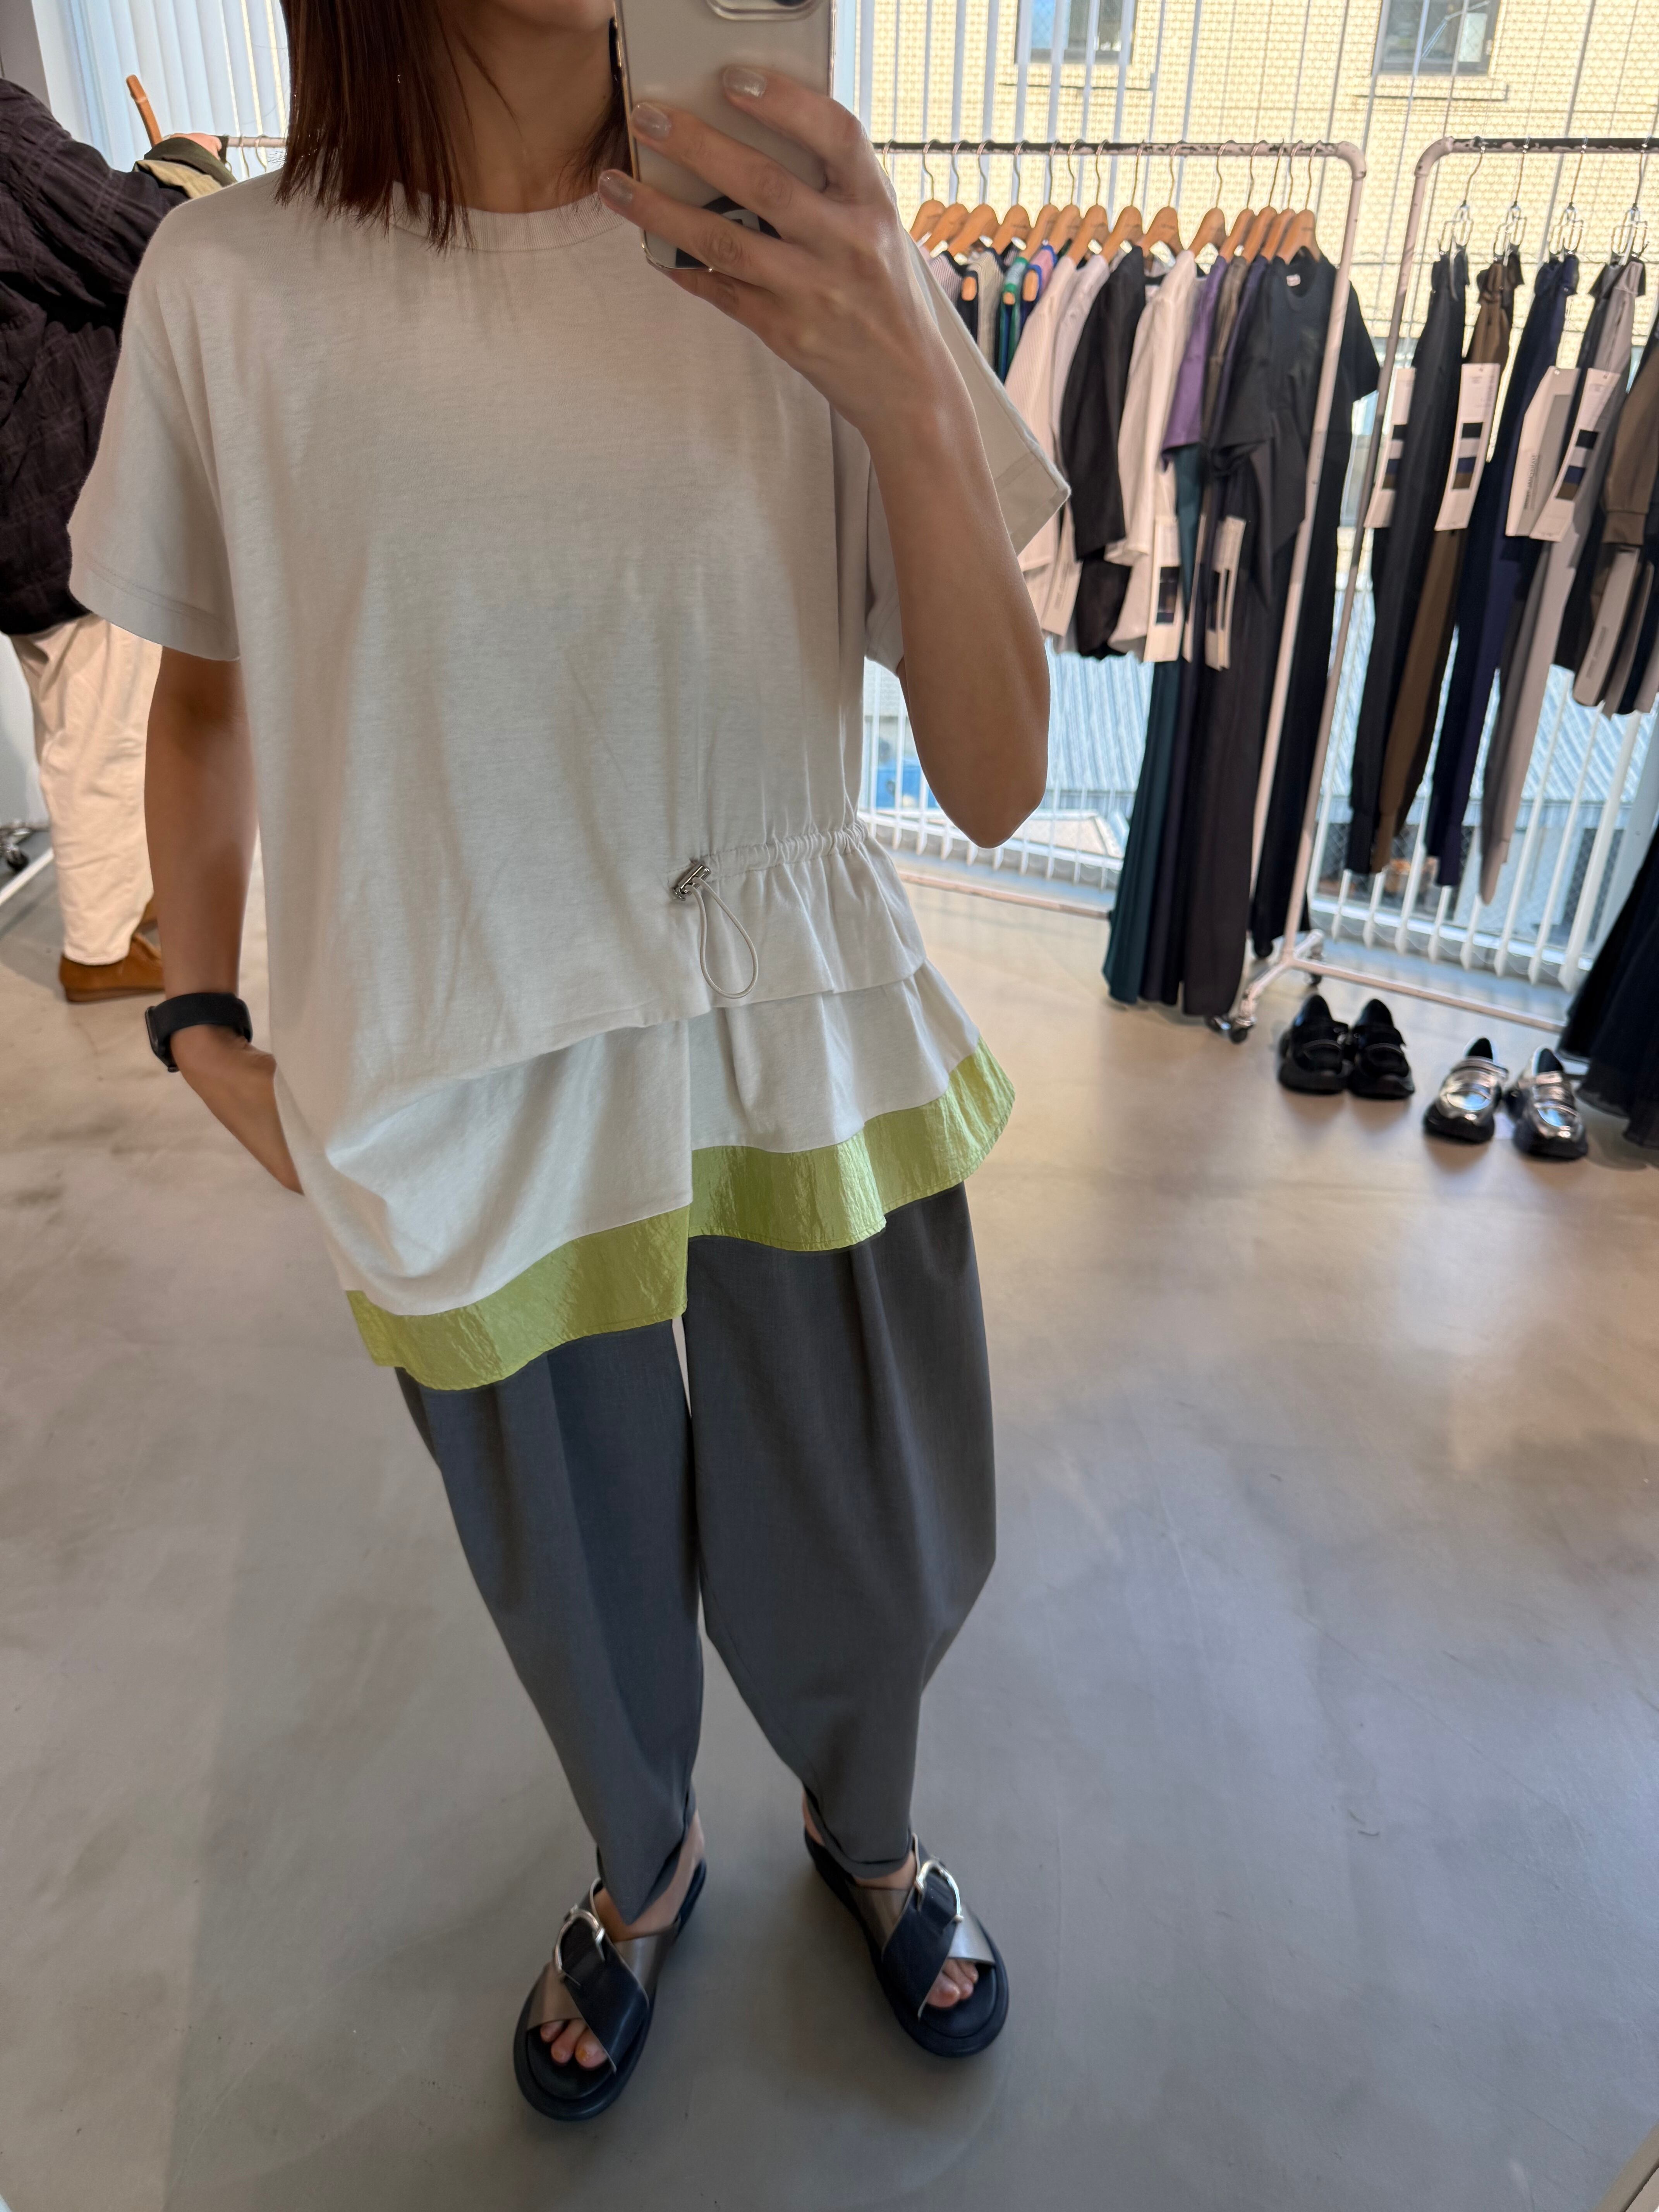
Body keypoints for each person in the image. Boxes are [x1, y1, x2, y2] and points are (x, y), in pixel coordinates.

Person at [68, 0, 1061, 2121]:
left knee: (876, 1548)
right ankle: (647, 1862)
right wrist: (195, 1014)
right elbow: (206, 694)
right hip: (453, 1060)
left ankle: (869, 1828)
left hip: (788, 1034)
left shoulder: (796, 234)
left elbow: (995, 783)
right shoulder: (227, 287)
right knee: (574, 1596)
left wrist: (900, 368)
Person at [0, 84, 231, 1000]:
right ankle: (99, 951)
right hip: (55, 501)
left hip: (23, 503)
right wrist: (186, 160)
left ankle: (128, 908)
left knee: (90, 718)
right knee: (102, 733)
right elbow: (143, 237)